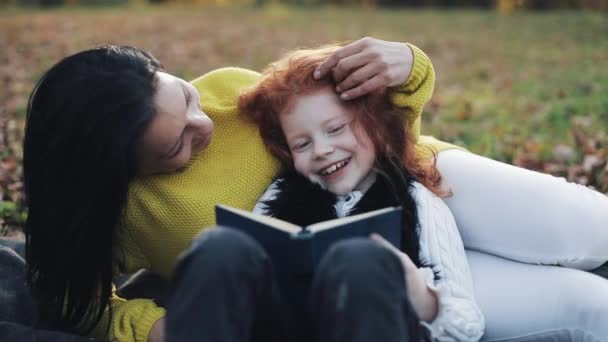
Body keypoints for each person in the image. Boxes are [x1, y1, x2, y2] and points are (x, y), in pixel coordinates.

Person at [14, 37, 607, 342]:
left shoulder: (227, 88)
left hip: (416, 182)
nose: (206, 127)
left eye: (186, 99)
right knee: (586, 307)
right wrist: (153, 329)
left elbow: (367, 114)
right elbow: (79, 302)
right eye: (175, 148)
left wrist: (408, 66)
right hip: (370, 273)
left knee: (588, 226)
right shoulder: (119, 214)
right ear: (117, 172)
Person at [237, 44, 484, 341]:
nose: (322, 150)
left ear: (376, 124)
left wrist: (423, 298)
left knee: (360, 258)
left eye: (336, 128)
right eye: (302, 144)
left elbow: (469, 325)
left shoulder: (417, 201)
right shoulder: (279, 195)